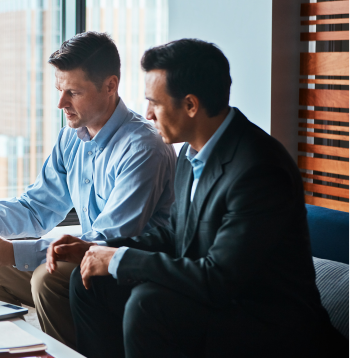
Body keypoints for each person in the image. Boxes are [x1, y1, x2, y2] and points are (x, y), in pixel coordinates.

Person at [47, 38, 345, 357]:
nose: (146, 114)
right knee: (91, 283)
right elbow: (177, 233)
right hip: (216, 305)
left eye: (155, 103)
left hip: (267, 324)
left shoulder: (259, 168)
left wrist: (118, 260)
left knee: (148, 304)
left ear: (190, 105)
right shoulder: (191, 153)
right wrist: (99, 250)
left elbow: (219, 277)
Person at [0, 31, 176, 349]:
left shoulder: (143, 146)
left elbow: (110, 239)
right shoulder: (70, 137)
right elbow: (37, 206)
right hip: (85, 257)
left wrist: (11, 252)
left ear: (110, 86)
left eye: (73, 93)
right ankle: (6, 349)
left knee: (48, 279)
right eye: (59, 90)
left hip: (125, 269)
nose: (61, 103)